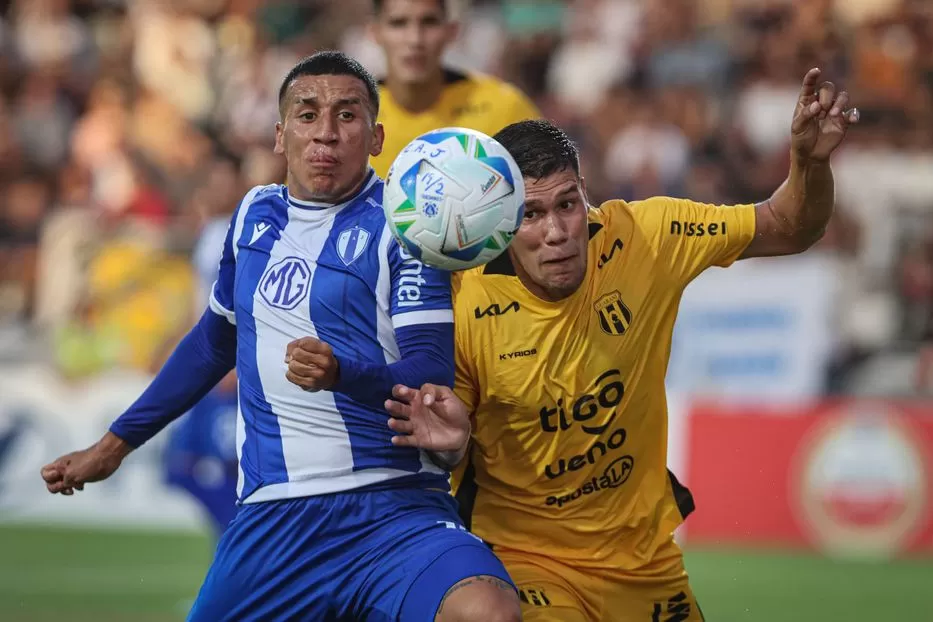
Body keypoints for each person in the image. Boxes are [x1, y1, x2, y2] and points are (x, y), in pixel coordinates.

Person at [40, 51, 521, 622]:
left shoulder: (406, 228)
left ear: (375, 136)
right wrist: (112, 446)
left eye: (347, 116)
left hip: (393, 508)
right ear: (279, 134)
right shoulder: (252, 217)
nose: (326, 133)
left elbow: (429, 375)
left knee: (487, 612)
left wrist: (343, 373)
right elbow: (211, 344)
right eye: (307, 113)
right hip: (273, 519)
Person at [377, 68, 859, 621]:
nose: (556, 232)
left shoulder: (649, 237)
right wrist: (449, 444)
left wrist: (810, 164)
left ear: (588, 196)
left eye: (567, 204)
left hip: (646, 563)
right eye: (531, 214)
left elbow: (788, 226)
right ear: (502, 221)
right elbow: (447, 444)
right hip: (527, 561)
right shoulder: (463, 304)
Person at [368, 0, 539, 178]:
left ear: (452, 31)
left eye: (429, 22)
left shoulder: (504, 107)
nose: (415, 39)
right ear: (374, 32)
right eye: (398, 23)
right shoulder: (352, 115)